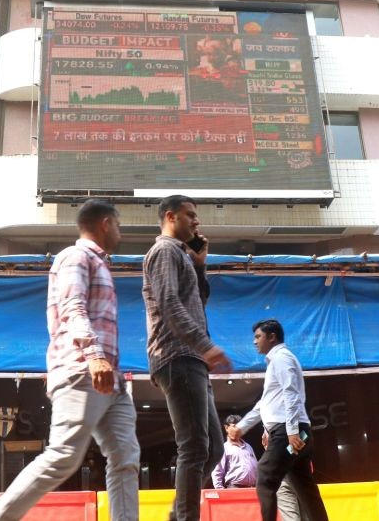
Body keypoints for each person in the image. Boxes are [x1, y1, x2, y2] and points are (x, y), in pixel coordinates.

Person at [0, 199, 139, 521]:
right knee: (64, 456)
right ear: (104, 223)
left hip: (109, 379)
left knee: (126, 458)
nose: (120, 230)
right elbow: (73, 307)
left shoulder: (101, 264)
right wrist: (95, 355)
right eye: (118, 224)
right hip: (81, 369)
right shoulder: (76, 256)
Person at [143, 194, 231, 521]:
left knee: (214, 449)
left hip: (190, 357)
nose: (197, 222)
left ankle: (177, 514)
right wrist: (204, 345)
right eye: (190, 215)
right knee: (194, 448)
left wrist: (200, 264)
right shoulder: (163, 251)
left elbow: (196, 301)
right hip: (177, 355)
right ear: (170, 216)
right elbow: (168, 303)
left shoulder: (181, 256)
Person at [228, 320, 328, 521]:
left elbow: (291, 395)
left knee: (264, 476)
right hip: (299, 435)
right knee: (303, 484)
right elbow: (266, 404)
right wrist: (243, 427)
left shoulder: (282, 358)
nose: (254, 342)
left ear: (272, 337)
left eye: (258, 336)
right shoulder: (277, 362)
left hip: (290, 434)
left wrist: (290, 432)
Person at [212, 415, 257, 489]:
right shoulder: (224, 448)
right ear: (226, 428)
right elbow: (217, 471)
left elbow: (255, 467)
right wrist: (220, 490)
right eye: (234, 426)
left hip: (252, 488)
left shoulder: (248, 446)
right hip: (234, 488)